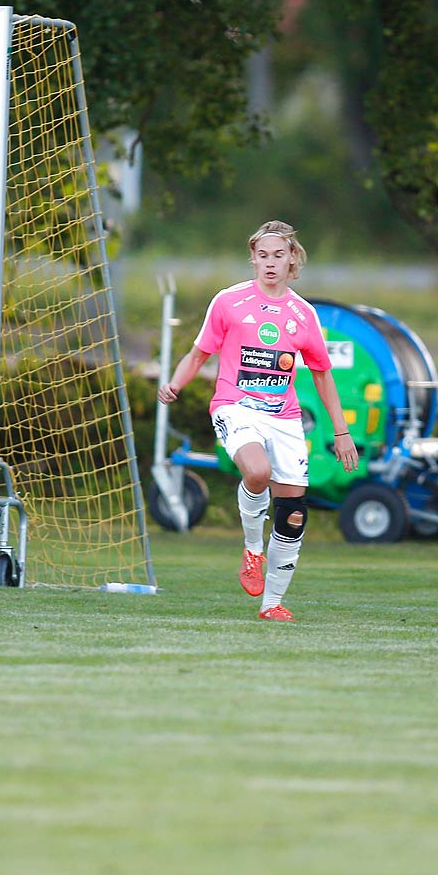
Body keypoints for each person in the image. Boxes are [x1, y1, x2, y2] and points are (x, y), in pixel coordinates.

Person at [158, 220, 359, 621]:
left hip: (284, 418)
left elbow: (321, 373)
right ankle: (253, 549)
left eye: (278, 255)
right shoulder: (229, 302)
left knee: (294, 511)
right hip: (235, 406)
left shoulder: (303, 314)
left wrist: (342, 432)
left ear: (292, 260)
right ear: (253, 259)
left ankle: (272, 605)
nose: (270, 263)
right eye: (263, 255)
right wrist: (175, 384)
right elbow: (199, 353)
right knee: (257, 471)